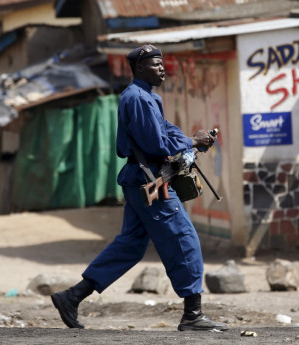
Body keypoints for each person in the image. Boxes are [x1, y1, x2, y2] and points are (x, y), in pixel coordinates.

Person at [51, 44, 228, 332]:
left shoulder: (146, 97)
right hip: (150, 182)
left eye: (162, 64)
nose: (162, 69)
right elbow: (156, 144)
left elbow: (165, 131)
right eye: (156, 64)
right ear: (140, 68)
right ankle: (193, 314)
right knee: (184, 240)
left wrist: (191, 138)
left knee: (130, 246)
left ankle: (72, 297)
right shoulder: (139, 99)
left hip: (139, 180)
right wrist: (192, 143)